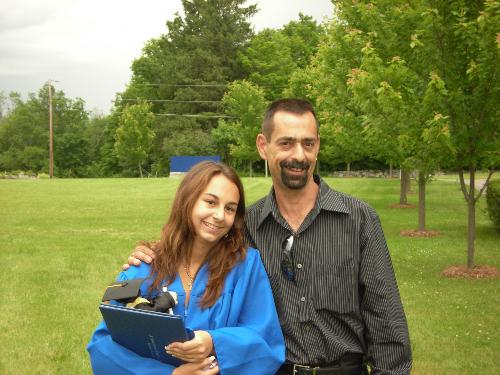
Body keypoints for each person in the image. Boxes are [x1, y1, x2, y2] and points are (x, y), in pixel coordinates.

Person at [125, 99, 412, 374]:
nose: (298, 156)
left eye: (308, 143)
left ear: (317, 147)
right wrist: (155, 253)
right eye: (286, 143)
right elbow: (196, 247)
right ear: (264, 146)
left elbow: (386, 322)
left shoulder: (358, 220)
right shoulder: (242, 226)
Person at [88, 161, 285, 375]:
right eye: (210, 202)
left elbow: (267, 342)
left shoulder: (247, 265)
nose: (219, 215)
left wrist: (213, 342)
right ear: (187, 201)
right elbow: (100, 343)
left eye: (230, 208)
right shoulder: (141, 263)